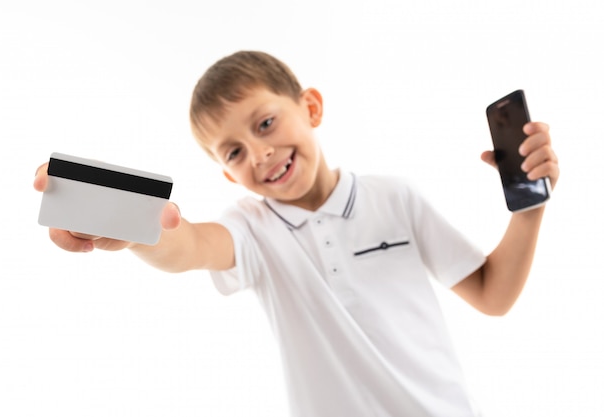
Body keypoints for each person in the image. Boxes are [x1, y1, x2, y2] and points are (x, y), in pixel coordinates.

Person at [34, 50, 560, 416]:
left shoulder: (394, 197)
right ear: (226, 173)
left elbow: (493, 294)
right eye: (234, 152)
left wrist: (529, 207)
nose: (259, 154)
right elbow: (189, 245)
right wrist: (133, 230)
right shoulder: (251, 228)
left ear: (310, 108)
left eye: (264, 124)